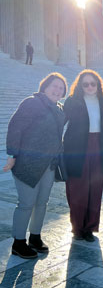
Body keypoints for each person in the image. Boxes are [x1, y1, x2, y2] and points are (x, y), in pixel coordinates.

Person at [3, 72, 67, 259]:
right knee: (26, 204)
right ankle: (18, 242)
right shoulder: (31, 103)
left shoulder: (60, 109)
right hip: (27, 164)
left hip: (48, 165)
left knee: (42, 203)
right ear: (45, 87)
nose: (57, 90)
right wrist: (12, 155)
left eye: (61, 88)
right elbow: (15, 128)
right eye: (54, 86)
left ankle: (35, 237)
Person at [63, 70, 103, 242]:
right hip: (77, 150)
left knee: (95, 189)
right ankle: (77, 227)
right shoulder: (72, 102)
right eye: (85, 84)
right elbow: (60, 121)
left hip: (98, 147)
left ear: (98, 85)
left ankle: (90, 227)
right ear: (80, 86)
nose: (90, 87)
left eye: (93, 83)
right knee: (78, 189)